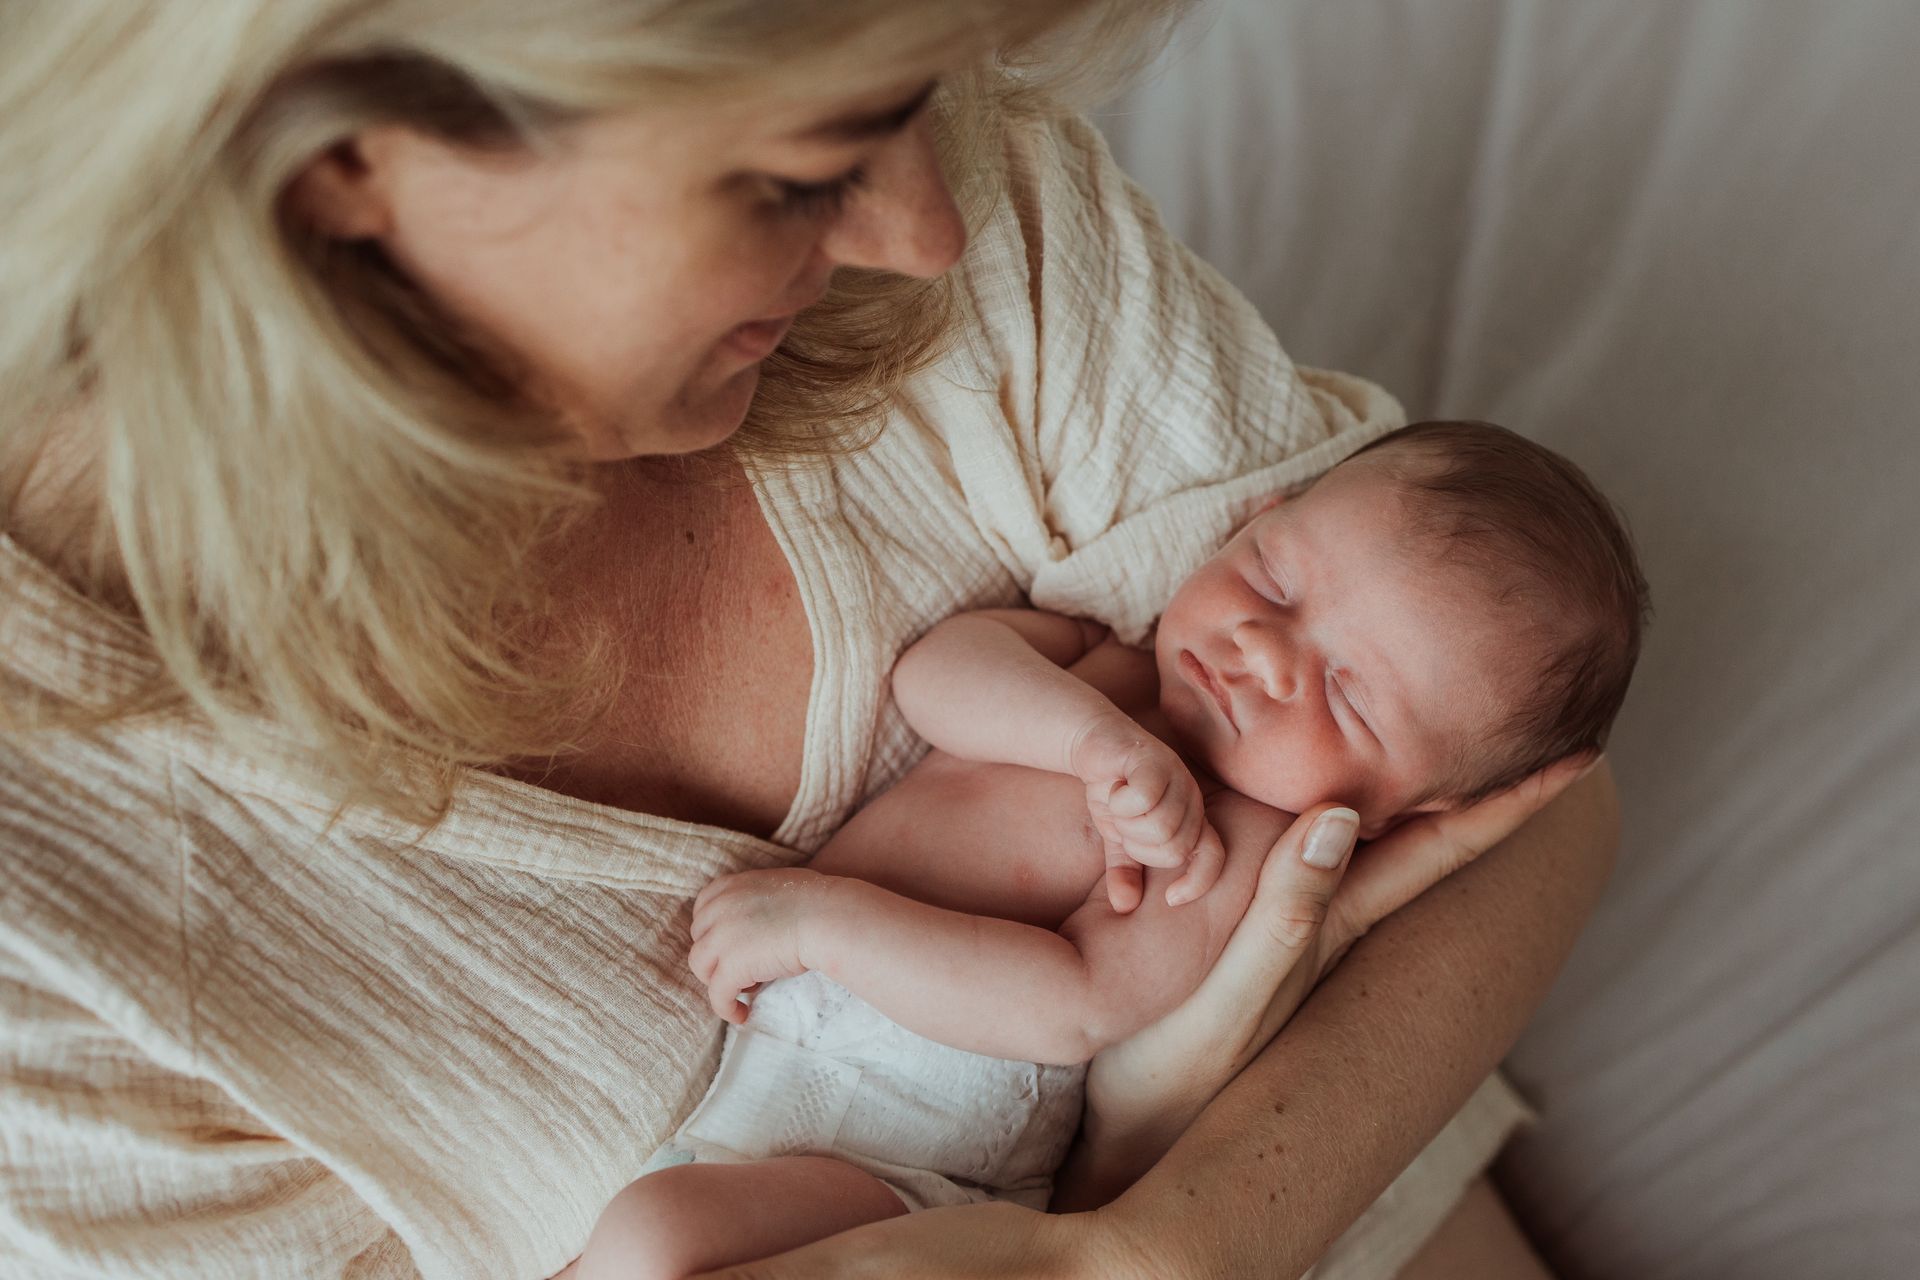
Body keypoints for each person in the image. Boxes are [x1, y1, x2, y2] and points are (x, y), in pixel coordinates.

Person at [0, 3, 1618, 1278]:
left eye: (923, 85)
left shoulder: (974, 216)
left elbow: (1535, 810)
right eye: (796, 169)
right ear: (345, 153)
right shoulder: (53, 935)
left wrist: (1160, 1247)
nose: (925, 224)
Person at [572, 421, 1647, 1278]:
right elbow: (936, 675)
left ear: (1395, 813)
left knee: (654, 1238)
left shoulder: (1234, 851)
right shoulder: (1113, 664)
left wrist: (823, 921)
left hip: (909, 1163)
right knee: (643, 1238)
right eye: (1274, 579)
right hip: (804, 1088)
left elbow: (1071, 1005)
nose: (1263, 650)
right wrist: (1083, 736)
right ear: (1251, 520)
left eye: (1345, 694)